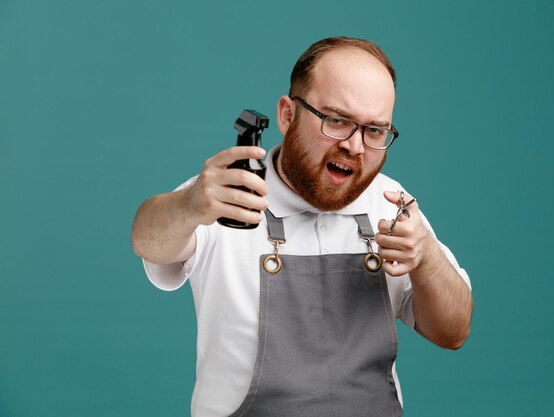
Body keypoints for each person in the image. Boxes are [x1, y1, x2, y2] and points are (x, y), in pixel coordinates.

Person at [132, 36, 473, 417]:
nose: (355, 147)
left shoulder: (392, 203)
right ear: (287, 115)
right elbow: (147, 240)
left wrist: (425, 256)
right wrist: (188, 205)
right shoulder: (228, 196)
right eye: (337, 121)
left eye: (374, 131)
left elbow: (453, 331)